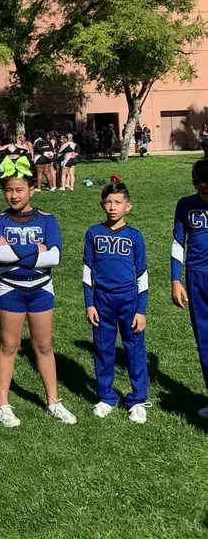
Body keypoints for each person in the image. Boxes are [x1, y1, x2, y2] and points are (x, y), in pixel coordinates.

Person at [0, 160, 76, 427]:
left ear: (31, 190)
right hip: (11, 290)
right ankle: (2, 404)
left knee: (44, 346)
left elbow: (56, 257)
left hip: (41, 290)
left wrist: (16, 256)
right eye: (9, 190)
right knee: (9, 345)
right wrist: (37, 251)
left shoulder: (48, 220)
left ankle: (53, 402)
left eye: (20, 190)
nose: (14, 195)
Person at [83, 178, 149, 423]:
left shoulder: (135, 236)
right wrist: (89, 303)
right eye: (108, 202)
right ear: (102, 205)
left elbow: (142, 274)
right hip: (102, 300)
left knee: (134, 349)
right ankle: (106, 396)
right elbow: (87, 270)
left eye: (118, 202)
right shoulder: (93, 232)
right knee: (103, 349)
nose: (113, 207)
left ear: (128, 207)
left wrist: (141, 310)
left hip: (129, 299)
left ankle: (138, 399)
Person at [171, 158, 208, 418]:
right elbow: (177, 242)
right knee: (204, 341)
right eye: (200, 186)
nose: (204, 191)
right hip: (197, 278)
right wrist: (175, 279)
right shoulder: (186, 205)